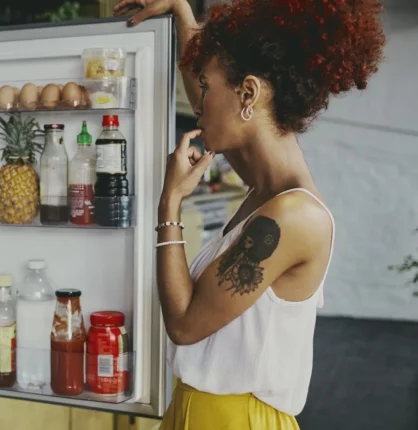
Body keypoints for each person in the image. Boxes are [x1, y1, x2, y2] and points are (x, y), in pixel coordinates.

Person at [114, 0, 386, 429]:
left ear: (248, 94)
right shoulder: (266, 188)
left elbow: (184, 325)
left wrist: (170, 204)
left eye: (206, 87)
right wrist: (182, 13)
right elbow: (210, 102)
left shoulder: (293, 217)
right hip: (198, 411)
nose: (198, 104)